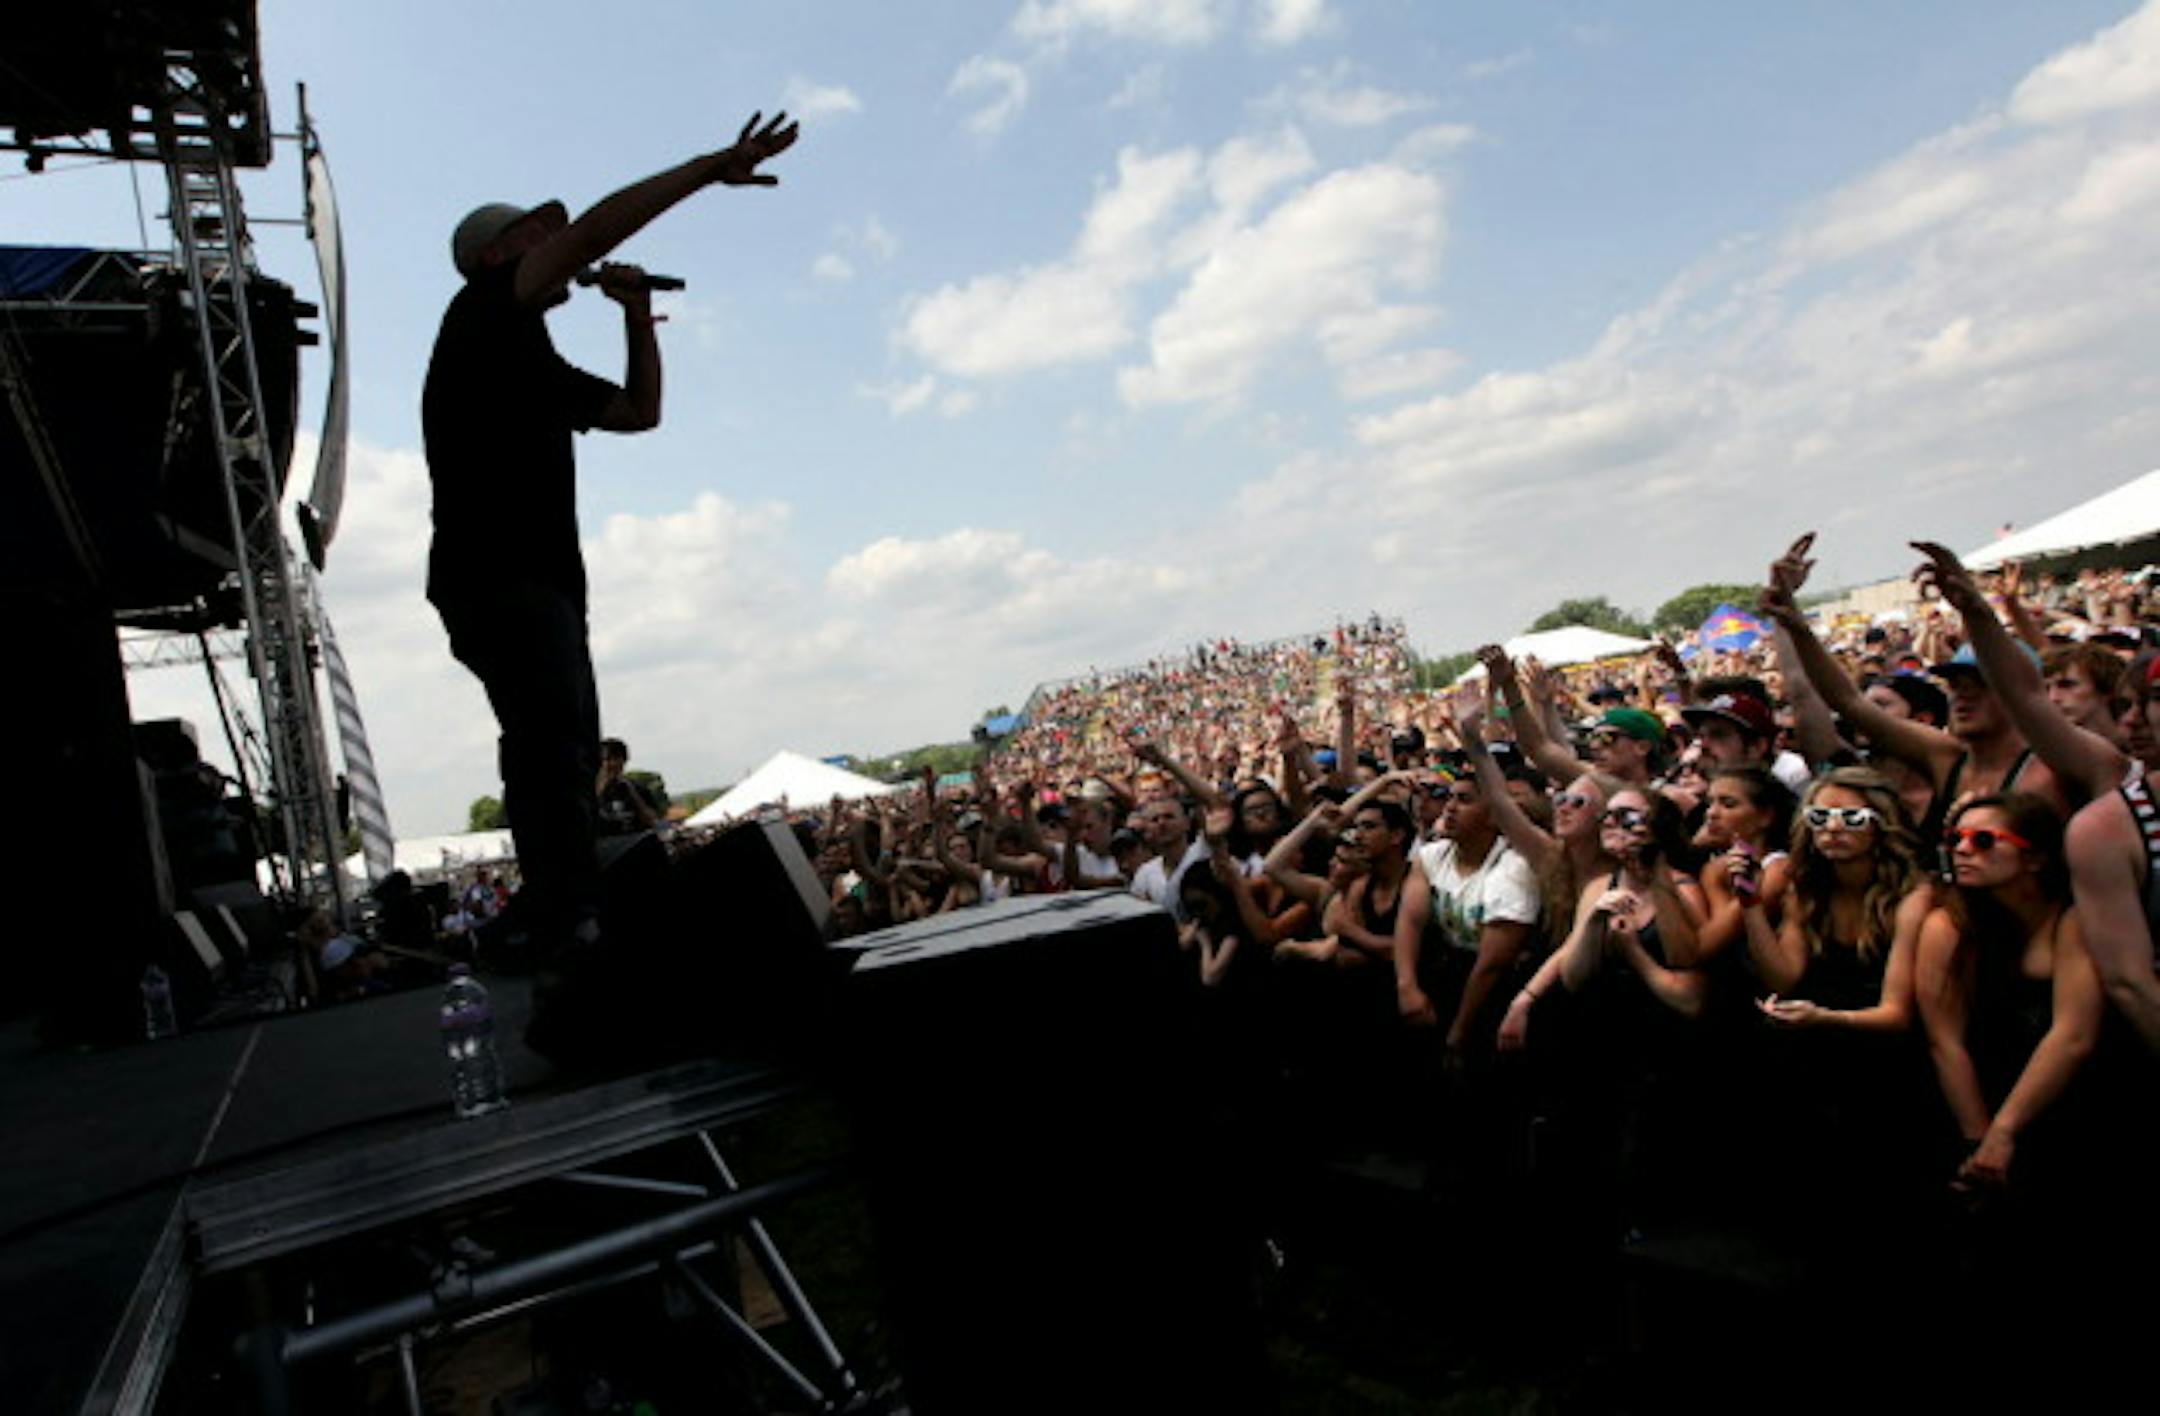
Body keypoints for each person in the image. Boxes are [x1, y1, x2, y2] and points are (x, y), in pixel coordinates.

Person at [423, 112, 799, 977]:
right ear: (494, 257)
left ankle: (561, 910)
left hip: (531, 581)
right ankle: (561, 915)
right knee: (552, 746)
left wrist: (635, 316)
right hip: (500, 575)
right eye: (534, 232)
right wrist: (712, 167)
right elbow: (595, 226)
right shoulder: (481, 311)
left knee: (560, 748)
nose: (559, 240)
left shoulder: (532, 362)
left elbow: (639, 414)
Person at [595, 737, 661, 835]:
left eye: (616, 758)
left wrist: (632, 793)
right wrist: (601, 789)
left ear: (624, 760)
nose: (612, 764)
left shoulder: (638, 788)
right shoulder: (587, 791)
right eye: (607, 759)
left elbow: (652, 822)